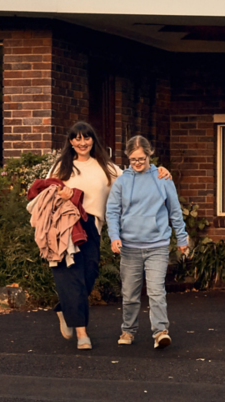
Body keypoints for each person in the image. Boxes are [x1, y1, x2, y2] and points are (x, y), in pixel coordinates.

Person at [47, 121, 171, 350]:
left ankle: (65, 308)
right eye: (76, 138)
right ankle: (82, 334)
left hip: (92, 228)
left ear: (93, 140)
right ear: (70, 142)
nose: (81, 142)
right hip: (65, 228)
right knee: (72, 276)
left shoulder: (106, 167)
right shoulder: (61, 167)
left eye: (86, 138)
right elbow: (44, 195)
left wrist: (160, 171)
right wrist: (62, 195)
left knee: (89, 275)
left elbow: (136, 176)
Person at [106, 135, 188, 349]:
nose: (138, 163)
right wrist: (114, 236)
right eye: (133, 160)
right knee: (130, 294)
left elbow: (175, 210)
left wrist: (181, 237)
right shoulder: (122, 181)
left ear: (149, 155)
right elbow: (112, 211)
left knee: (156, 291)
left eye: (142, 159)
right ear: (128, 158)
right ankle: (128, 330)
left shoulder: (162, 178)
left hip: (157, 245)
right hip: (130, 247)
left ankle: (160, 331)